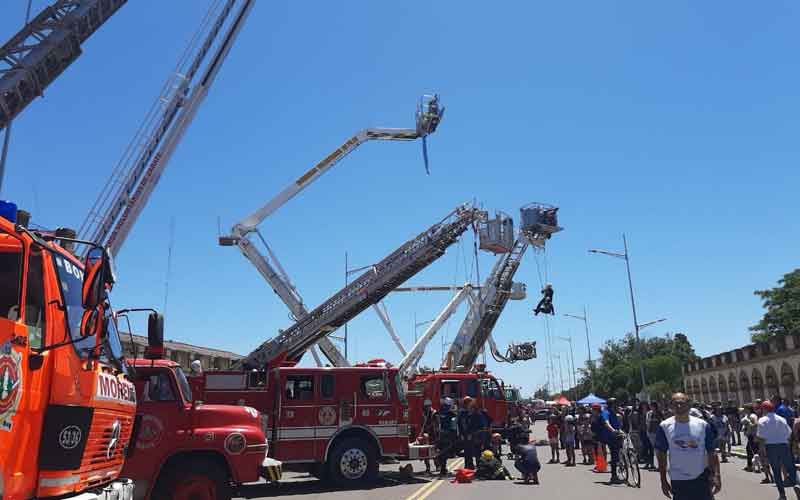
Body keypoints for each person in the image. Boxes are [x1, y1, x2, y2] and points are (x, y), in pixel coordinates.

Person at [655, 392, 721, 500]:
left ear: (689, 405)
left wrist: (716, 475)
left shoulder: (702, 425)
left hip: (701, 477)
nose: (679, 406)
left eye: (682, 403)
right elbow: (661, 454)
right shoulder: (664, 426)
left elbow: (711, 452)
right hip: (679, 480)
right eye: (675, 404)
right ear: (671, 406)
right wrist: (663, 480)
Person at [757, 401, 800, 500]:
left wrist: (762, 452)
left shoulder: (762, 421)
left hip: (771, 447)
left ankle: (782, 494)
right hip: (784, 446)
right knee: (791, 468)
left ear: (764, 409)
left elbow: (761, 438)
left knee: (776, 471)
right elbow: (789, 433)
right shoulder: (782, 419)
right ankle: (797, 484)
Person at [600, 398, 624, 484]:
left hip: (617, 435)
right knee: (614, 455)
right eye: (615, 404)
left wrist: (620, 430)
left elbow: (618, 425)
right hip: (610, 437)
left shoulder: (615, 413)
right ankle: (613, 476)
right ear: (611, 405)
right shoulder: (606, 412)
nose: (617, 406)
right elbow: (607, 423)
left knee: (620, 452)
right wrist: (612, 430)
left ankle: (621, 463)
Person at [436, 398, 459, 476]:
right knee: (444, 452)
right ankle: (443, 468)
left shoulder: (438, 412)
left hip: (439, 435)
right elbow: (454, 425)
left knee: (442, 451)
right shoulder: (450, 414)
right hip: (447, 435)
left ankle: (442, 468)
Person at [420, 399, 438, 474]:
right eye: (426, 406)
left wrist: (429, 427)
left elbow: (435, 424)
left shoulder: (434, 413)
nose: (427, 407)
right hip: (425, 434)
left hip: (432, 434)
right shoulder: (423, 413)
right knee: (425, 452)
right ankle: (427, 467)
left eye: (428, 406)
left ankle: (437, 465)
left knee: (433, 451)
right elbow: (422, 423)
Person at [645, 401, 663, 470]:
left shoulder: (659, 413)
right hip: (651, 432)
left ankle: (660, 465)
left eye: (652, 406)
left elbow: (662, 421)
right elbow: (647, 422)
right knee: (655, 449)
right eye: (651, 406)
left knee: (659, 450)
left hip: (658, 432)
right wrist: (648, 432)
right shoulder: (649, 413)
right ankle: (659, 465)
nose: (651, 407)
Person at [741, 404, 758, 472]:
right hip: (749, 435)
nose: (744, 410)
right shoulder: (747, 416)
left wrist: (748, 423)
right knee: (750, 450)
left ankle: (751, 466)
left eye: (745, 409)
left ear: (748, 409)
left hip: (753, 435)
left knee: (753, 451)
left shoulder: (753, 416)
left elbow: (755, 424)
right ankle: (750, 465)